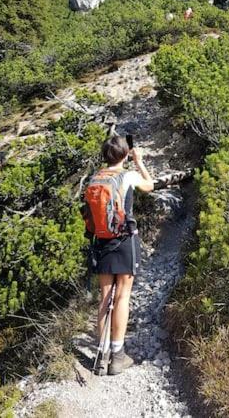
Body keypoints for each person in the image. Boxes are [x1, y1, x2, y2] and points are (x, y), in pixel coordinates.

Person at [88, 135, 154, 376]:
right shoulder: (127, 175)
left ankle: (100, 355)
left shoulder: (96, 178)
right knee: (122, 297)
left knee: (105, 297)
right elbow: (150, 185)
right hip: (125, 241)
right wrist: (139, 162)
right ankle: (117, 356)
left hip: (103, 241)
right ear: (125, 155)